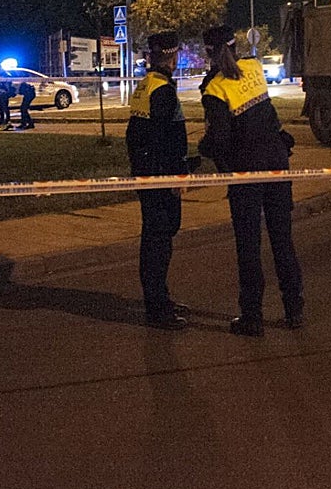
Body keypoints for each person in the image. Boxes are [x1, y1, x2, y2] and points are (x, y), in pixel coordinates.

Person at [199, 24, 303, 337]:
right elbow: (266, 117)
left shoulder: (216, 89)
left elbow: (219, 139)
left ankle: (252, 317)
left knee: (249, 246)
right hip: (276, 164)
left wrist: (204, 149)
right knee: (282, 239)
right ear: (236, 45)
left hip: (246, 173)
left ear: (208, 53)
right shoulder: (255, 67)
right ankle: (294, 310)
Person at [126, 31, 191, 330]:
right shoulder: (162, 90)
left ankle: (159, 298)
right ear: (173, 56)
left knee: (154, 237)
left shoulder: (146, 86)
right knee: (159, 240)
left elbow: (135, 136)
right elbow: (164, 138)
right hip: (160, 175)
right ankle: (157, 308)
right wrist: (177, 174)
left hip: (147, 172)